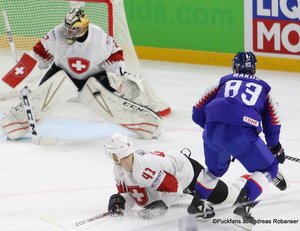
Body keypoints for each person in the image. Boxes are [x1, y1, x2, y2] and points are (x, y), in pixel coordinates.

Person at [1, 8, 165, 140]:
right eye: (67, 27)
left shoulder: (100, 38)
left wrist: (120, 73)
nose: (67, 31)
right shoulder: (56, 34)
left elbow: (115, 54)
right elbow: (38, 54)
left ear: (83, 27)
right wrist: (21, 76)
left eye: (73, 28)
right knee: (39, 98)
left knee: (113, 106)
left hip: (93, 76)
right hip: (61, 70)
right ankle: (12, 126)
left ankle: (149, 125)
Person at [190, 51, 285, 224]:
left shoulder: (222, 81)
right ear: (254, 69)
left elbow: (197, 113)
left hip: (212, 132)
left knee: (214, 170)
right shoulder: (265, 89)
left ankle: (197, 204)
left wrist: (219, 134)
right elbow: (273, 124)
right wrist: (275, 148)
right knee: (270, 168)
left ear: (235, 67)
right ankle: (243, 207)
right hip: (241, 135)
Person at [104, 133, 229, 219]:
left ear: (115, 155)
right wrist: (121, 203)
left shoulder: (144, 169)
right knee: (147, 199)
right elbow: (130, 194)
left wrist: (162, 206)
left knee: (222, 195)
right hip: (172, 176)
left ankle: (243, 181)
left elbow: (175, 188)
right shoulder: (118, 169)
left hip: (187, 173)